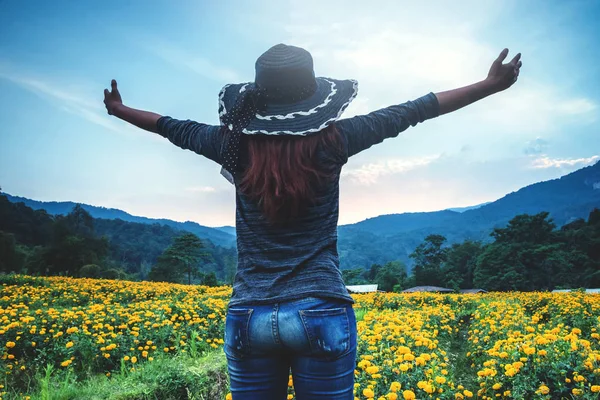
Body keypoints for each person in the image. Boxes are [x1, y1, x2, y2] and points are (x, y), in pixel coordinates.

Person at [103, 43, 522, 400]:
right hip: (320, 307)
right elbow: (413, 111)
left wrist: (119, 110)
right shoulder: (334, 139)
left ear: (257, 96)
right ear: (313, 100)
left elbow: (170, 127)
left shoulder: (231, 144)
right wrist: (489, 85)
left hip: (249, 311)